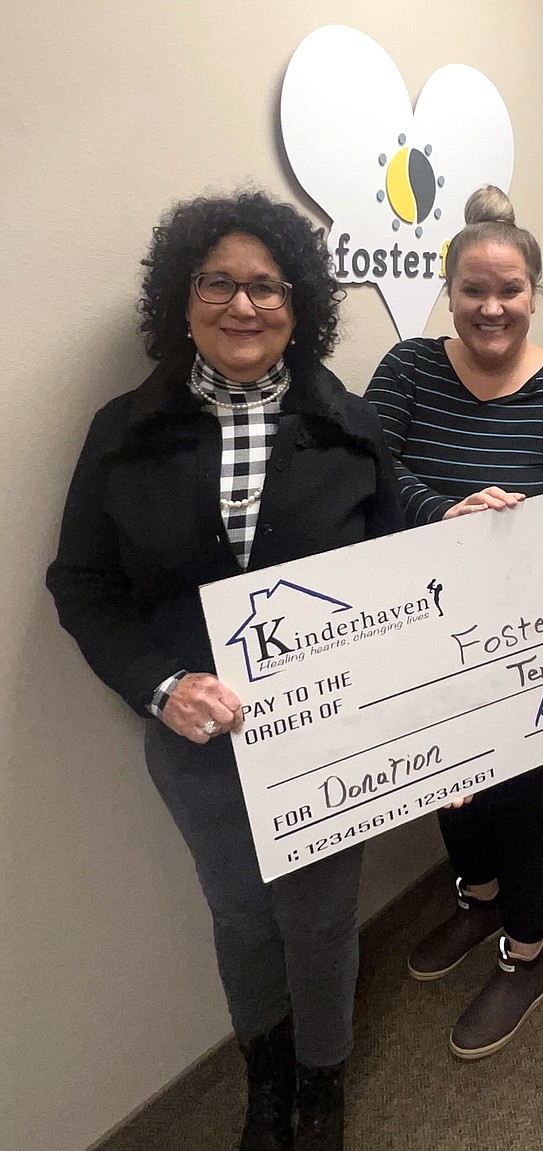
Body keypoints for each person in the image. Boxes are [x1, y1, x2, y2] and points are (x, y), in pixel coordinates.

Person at [46, 191, 403, 1150]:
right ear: (182, 296)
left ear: (299, 303)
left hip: (331, 737)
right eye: (218, 284)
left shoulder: (349, 425)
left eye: (266, 287)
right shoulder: (124, 430)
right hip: (198, 742)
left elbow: (414, 557)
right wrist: (161, 684)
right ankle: (269, 1076)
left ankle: (322, 1085)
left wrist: (471, 525)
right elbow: (81, 582)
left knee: (323, 922)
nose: (242, 307)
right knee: (242, 916)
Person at [363, 186, 543, 1060]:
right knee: (447, 782)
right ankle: (475, 899)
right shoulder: (406, 371)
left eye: (510, 289)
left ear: (535, 291)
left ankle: (525, 954)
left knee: (521, 798)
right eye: (474, 289)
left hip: (539, 647)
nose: (491, 307)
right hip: (429, 641)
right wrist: (443, 512)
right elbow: (366, 472)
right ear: (449, 291)